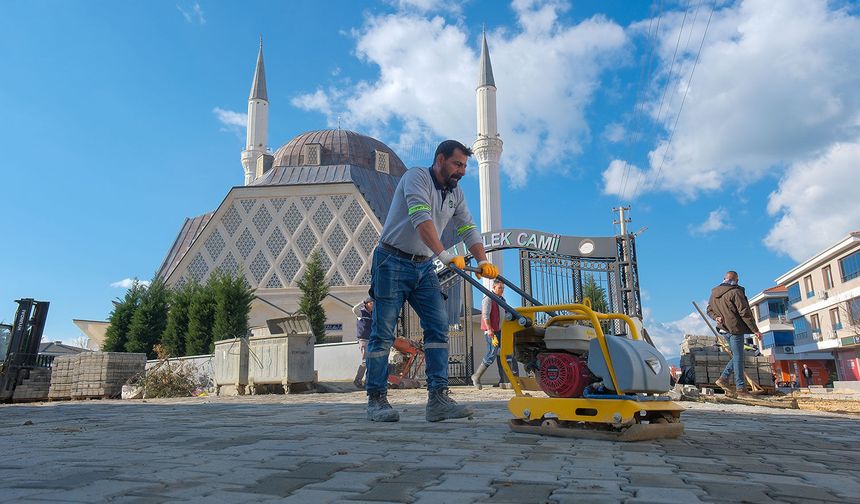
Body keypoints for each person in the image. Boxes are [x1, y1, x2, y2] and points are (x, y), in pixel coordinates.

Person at [365, 140, 498, 422]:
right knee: (383, 332)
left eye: (464, 166)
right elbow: (420, 218)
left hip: (423, 265)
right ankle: (376, 400)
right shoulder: (416, 177)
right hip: (391, 260)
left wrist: (483, 260)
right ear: (440, 160)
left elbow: (467, 227)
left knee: (438, 326)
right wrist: (444, 255)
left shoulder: (455, 193)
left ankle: (438, 399)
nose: (462, 171)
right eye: (457, 164)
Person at [707, 270, 762, 398]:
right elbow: (745, 312)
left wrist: (716, 317)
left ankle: (724, 379)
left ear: (724, 278)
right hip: (735, 329)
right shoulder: (736, 292)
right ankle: (740, 388)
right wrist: (755, 330)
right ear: (736, 280)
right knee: (738, 357)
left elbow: (709, 310)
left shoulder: (714, 293)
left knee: (737, 356)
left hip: (723, 329)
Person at [471, 279, 518, 389]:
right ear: (494, 288)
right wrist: (489, 329)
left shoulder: (502, 300)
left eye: (503, 288)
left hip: (500, 331)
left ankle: (504, 380)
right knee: (492, 353)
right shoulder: (488, 298)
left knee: (503, 354)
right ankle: (476, 376)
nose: (502, 290)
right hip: (491, 331)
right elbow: (485, 315)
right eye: (500, 288)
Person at [352, 297, 374, 388]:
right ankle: (357, 380)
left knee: (371, 361)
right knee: (365, 361)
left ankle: (368, 381)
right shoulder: (361, 312)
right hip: (363, 340)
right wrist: (362, 302)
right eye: (371, 303)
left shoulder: (373, 314)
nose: (373, 305)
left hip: (371, 340)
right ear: (366, 304)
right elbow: (354, 309)